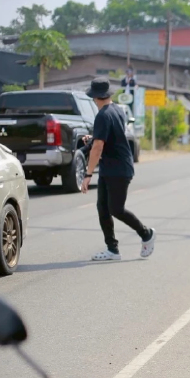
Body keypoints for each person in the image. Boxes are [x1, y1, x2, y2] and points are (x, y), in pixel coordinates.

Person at [81, 78, 155, 262]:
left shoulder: (103, 115)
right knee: (103, 208)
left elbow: (98, 147)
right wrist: (94, 138)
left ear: (96, 97)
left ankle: (146, 234)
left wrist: (88, 174)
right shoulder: (117, 110)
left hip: (118, 169)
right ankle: (112, 250)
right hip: (112, 167)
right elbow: (109, 138)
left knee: (116, 209)